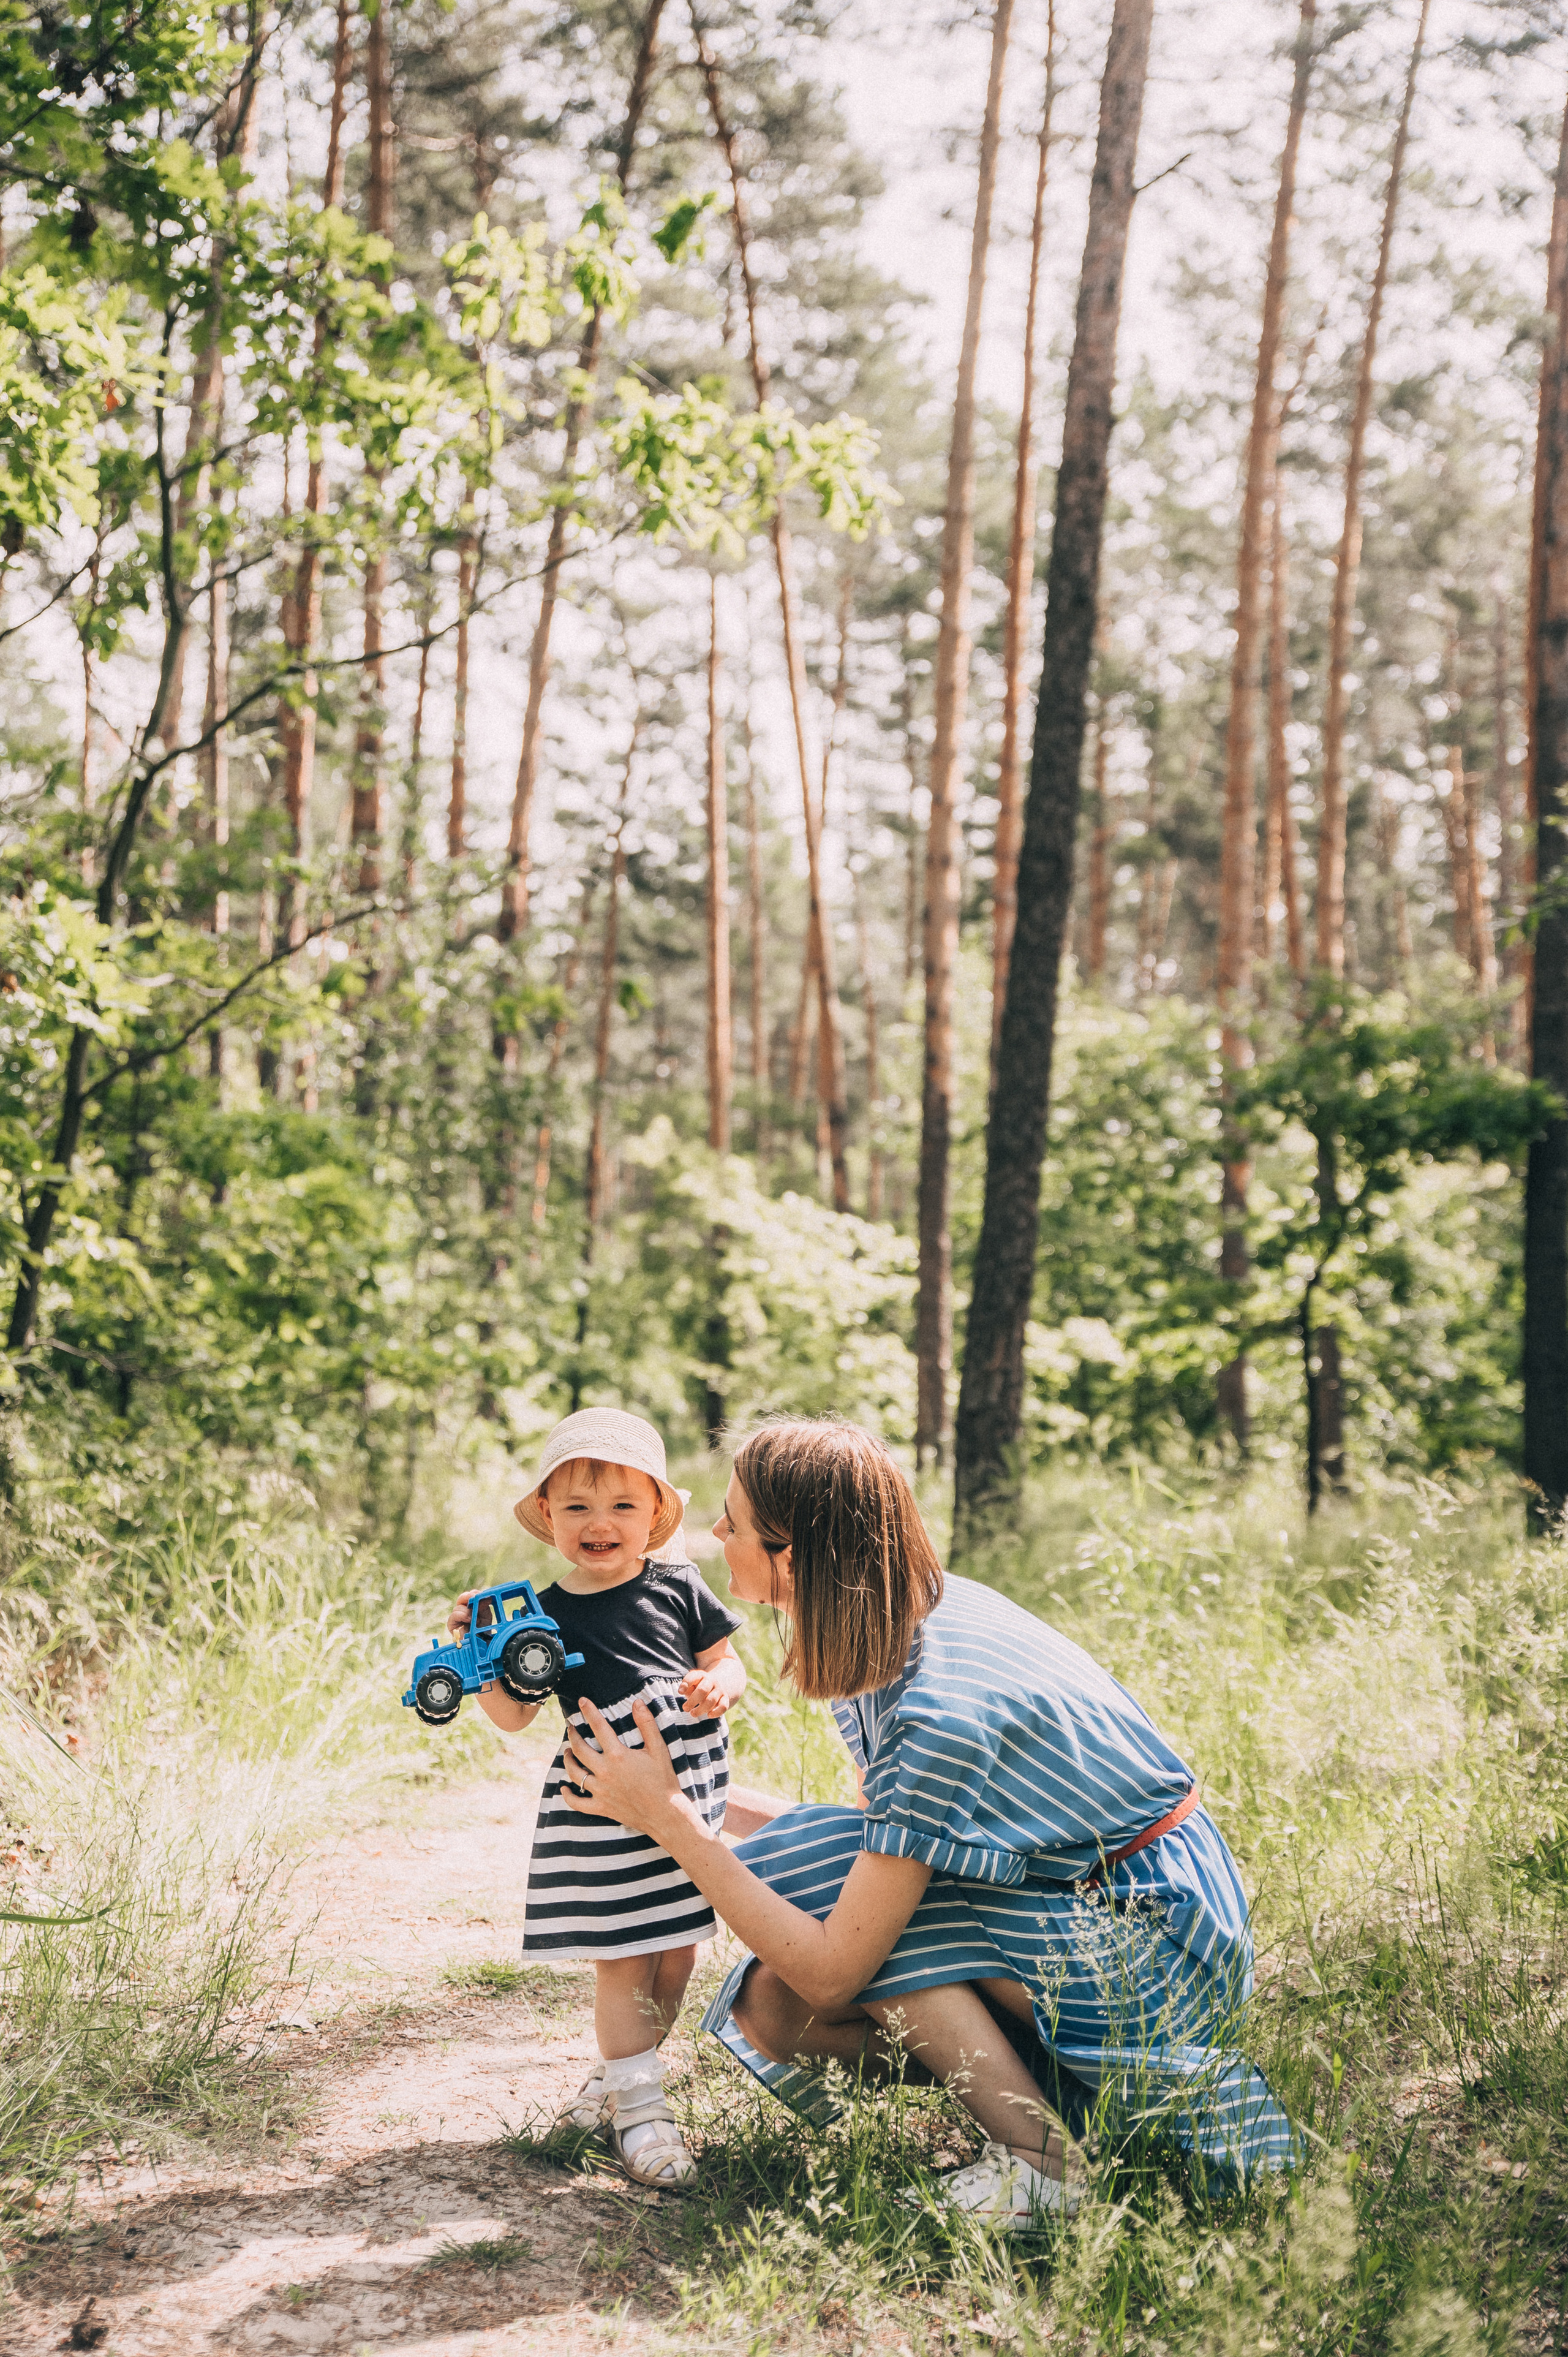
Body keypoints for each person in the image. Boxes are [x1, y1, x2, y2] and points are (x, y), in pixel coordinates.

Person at [554, 1419, 1295, 2225]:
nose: (717, 1535)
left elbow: (840, 1966)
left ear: (792, 1556)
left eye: (732, 1520)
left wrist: (669, 1821)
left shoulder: (938, 1705)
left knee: (812, 1913)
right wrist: (688, 1799)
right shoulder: (893, 1620)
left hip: (1155, 1943)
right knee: (776, 2002)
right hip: (1089, 1904)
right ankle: (1063, 2096)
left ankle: (1044, 2167)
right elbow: (886, 1843)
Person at [448, 1406, 747, 2190]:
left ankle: (621, 2078)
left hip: (683, 1795)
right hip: (604, 1800)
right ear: (548, 1517)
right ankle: (643, 2109)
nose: (599, 1523)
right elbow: (514, 1715)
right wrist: (473, 1660)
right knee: (622, 1960)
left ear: (655, 1514)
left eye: (621, 1505)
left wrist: (720, 1685)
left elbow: (727, 1660)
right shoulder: (543, 1615)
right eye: (576, 1506)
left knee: (677, 1952)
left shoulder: (680, 1584)